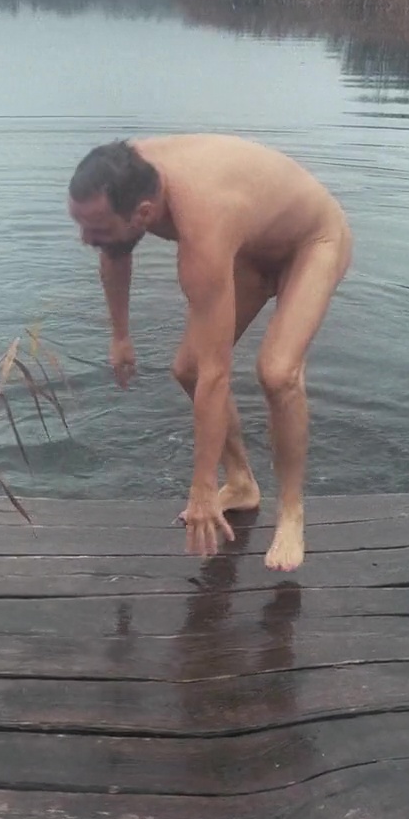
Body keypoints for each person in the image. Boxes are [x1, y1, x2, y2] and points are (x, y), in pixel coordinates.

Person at [66, 135, 354, 571]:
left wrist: (201, 487)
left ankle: (291, 513)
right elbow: (114, 249)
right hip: (251, 245)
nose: (85, 239)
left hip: (313, 241)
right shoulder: (122, 174)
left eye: (97, 229)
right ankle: (241, 483)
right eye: (81, 224)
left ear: (144, 213)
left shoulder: (202, 220)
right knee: (186, 369)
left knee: (277, 372)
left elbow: (217, 373)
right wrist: (120, 336)